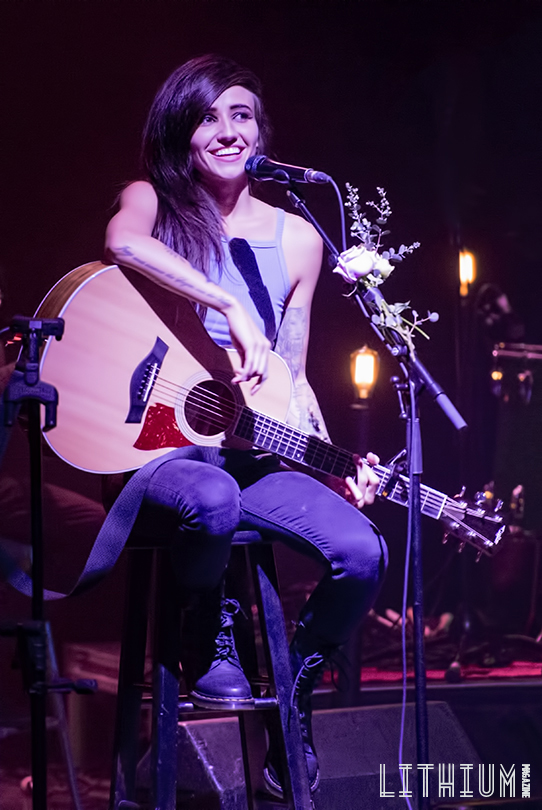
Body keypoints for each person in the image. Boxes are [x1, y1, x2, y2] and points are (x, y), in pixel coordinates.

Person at [104, 54, 388, 797]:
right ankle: (206, 624)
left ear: (261, 132)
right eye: (208, 117)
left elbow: (289, 380)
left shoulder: (299, 238)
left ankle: (293, 699)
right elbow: (122, 244)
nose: (228, 131)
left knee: (362, 551)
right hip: (153, 445)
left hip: (245, 454)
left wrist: (328, 460)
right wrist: (228, 303)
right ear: (182, 131)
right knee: (213, 499)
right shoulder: (152, 202)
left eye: (242, 116)